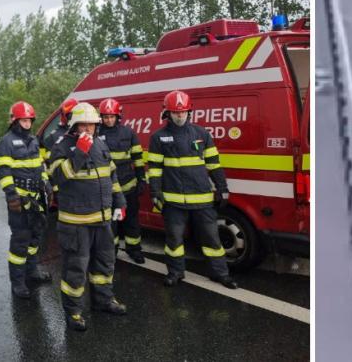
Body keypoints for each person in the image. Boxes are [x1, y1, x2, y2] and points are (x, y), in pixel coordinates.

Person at [47, 102, 127, 331]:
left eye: (92, 125)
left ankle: (103, 301)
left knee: (105, 264)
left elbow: (111, 175)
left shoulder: (101, 144)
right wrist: (80, 153)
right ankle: (73, 312)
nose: (88, 129)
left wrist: (119, 202)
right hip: (76, 222)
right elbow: (58, 178)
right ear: (74, 125)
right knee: (75, 269)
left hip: (102, 220)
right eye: (84, 125)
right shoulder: (62, 146)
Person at [146, 90, 237, 289]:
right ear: (167, 113)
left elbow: (214, 164)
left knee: (212, 238)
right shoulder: (158, 137)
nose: (180, 116)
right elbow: (154, 169)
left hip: (202, 199)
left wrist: (222, 188)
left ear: (190, 112)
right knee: (174, 240)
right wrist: (155, 193)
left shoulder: (202, 134)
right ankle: (175, 272)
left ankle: (220, 274)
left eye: (183, 112)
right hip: (173, 201)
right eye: (176, 112)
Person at [0, 101, 52, 299]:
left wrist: (46, 183)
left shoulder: (34, 141)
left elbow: (40, 166)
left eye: (29, 120)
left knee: (35, 239)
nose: (27, 123)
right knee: (20, 243)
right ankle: (18, 283)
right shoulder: (6, 142)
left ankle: (32, 272)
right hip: (19, 201)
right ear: (14, 120)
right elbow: (3, 172)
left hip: (36, 199)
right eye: (23, 120)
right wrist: (11, 195)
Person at [97, 98, 146, 263]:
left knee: (132, 220)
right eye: (106, 117)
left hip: (128, 186)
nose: (109, 120)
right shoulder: (96, 134)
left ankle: (134, 250)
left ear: (118, 116)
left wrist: (141, 179)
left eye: (112, 116)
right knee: (111, 223)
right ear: (101, 117)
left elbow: (138, 158)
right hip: (107, 188)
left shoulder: (128, 132)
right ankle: (112, 251)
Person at [41, 98, 78, 206]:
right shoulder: (53, 137)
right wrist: (54, 188)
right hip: (63, 186)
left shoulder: (82, 130)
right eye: (70, 115)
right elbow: (50, 166)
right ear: (64, 116)